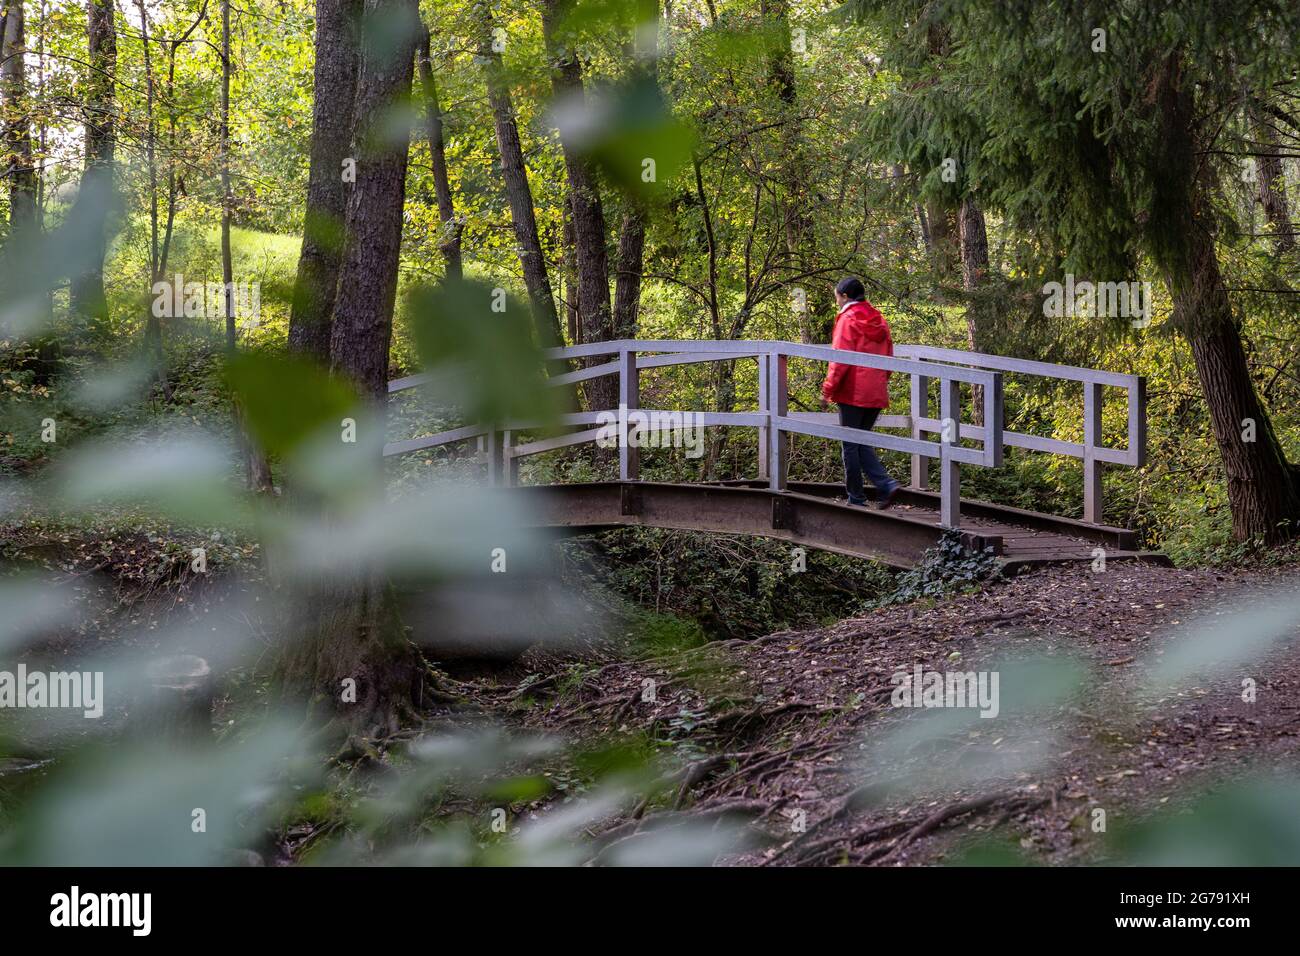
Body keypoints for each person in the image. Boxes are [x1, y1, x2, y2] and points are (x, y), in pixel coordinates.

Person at [821, 276, 901, 508]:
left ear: (845, 296)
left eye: (837, 295)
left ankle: (859, 496)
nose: (836, 300)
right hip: (875, 390)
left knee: (850, 444)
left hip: (853, 392)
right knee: (861, 440)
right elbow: (889, 357)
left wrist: (827, 390)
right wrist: (878, 382)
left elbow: (840, 360)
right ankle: (885, 485)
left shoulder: (848, 318)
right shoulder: (879, 318)